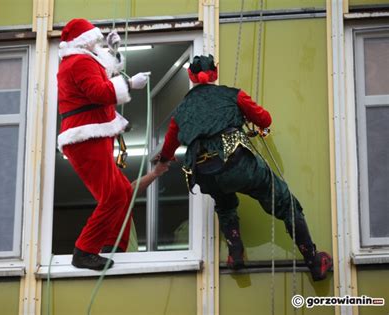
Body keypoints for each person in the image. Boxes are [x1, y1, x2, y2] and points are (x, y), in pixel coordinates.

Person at [156, 55, 333, 281]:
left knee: (225, 203)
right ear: (215, 73)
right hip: (236, 162)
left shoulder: (180, 111)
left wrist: (162, 161)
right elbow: (265, 120)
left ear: (191, 76)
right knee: (283, 201)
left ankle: (236, 255)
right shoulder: (232, 95)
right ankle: (314, 260)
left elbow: (169, 148)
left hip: (203, 173)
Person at [57, 18, 159, 270]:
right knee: (113, 195)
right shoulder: (78, 62)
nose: (97, 42)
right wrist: (129, 84)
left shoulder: (83, 59)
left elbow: (106, 71)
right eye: (94, 38)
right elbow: (99, 91)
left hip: (95, 134)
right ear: (85, 40)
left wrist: (116, 51)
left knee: (122, 192)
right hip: (86, 136)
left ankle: (114, 246)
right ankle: (85, 250)